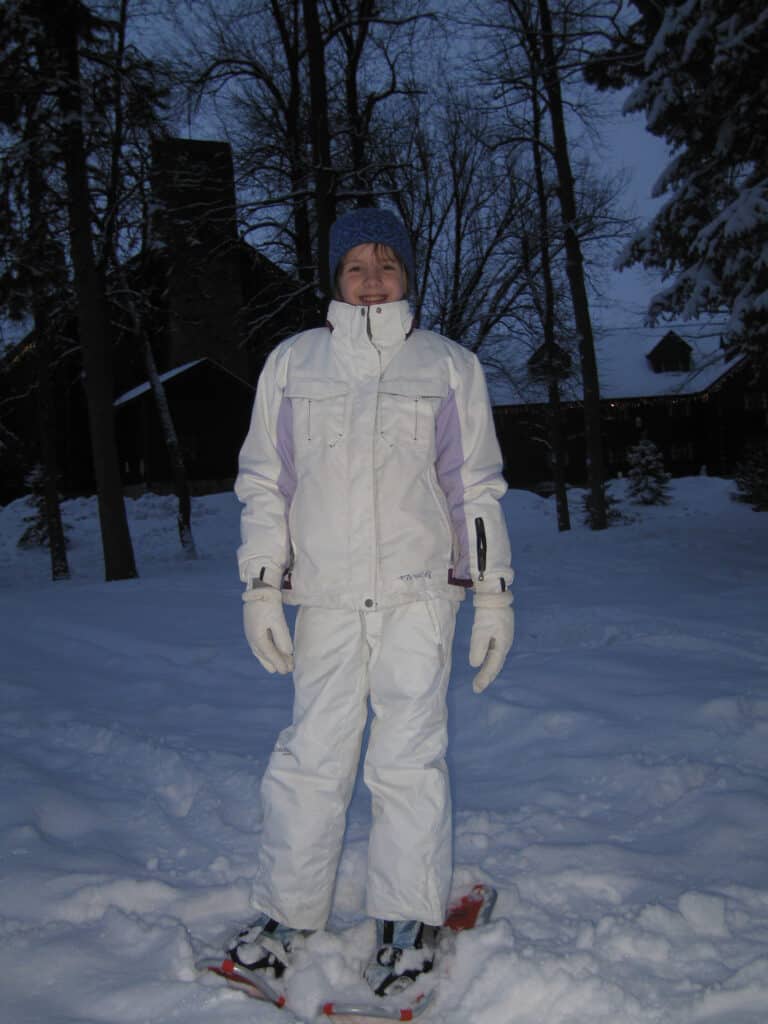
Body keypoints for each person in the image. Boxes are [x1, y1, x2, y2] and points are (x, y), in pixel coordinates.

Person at [229, 207, 514, 996]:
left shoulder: (449, 367)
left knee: (407, 760)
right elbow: (265, 483)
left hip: (419, 599)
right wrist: (260, 585)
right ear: (334, 276)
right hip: (322, 599)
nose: (371, 279)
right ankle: (288, 915)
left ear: (408, 275)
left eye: (386, 264)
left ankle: (405, 921)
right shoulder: (293, 365)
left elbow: (474, 489)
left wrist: (492, 597)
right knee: (310, 757)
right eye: (356, 265)